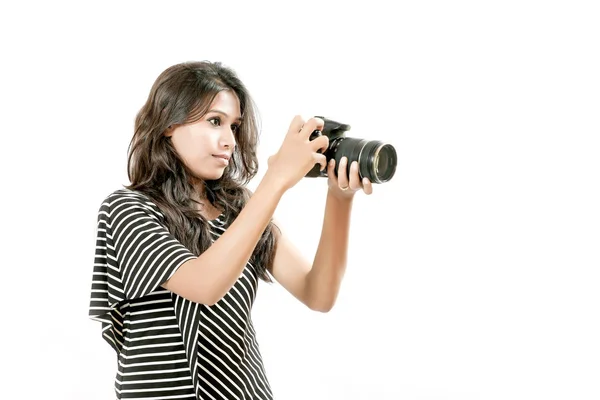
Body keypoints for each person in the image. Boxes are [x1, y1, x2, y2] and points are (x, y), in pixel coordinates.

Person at [88, 60, 373, 400]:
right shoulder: (127, 209)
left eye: (234, 126)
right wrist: (277, 179)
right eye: (214, 121)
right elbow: (203, 284)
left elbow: (319, 293)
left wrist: (339, 198)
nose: (229, 141)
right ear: (168, 123)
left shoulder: (241, 209)